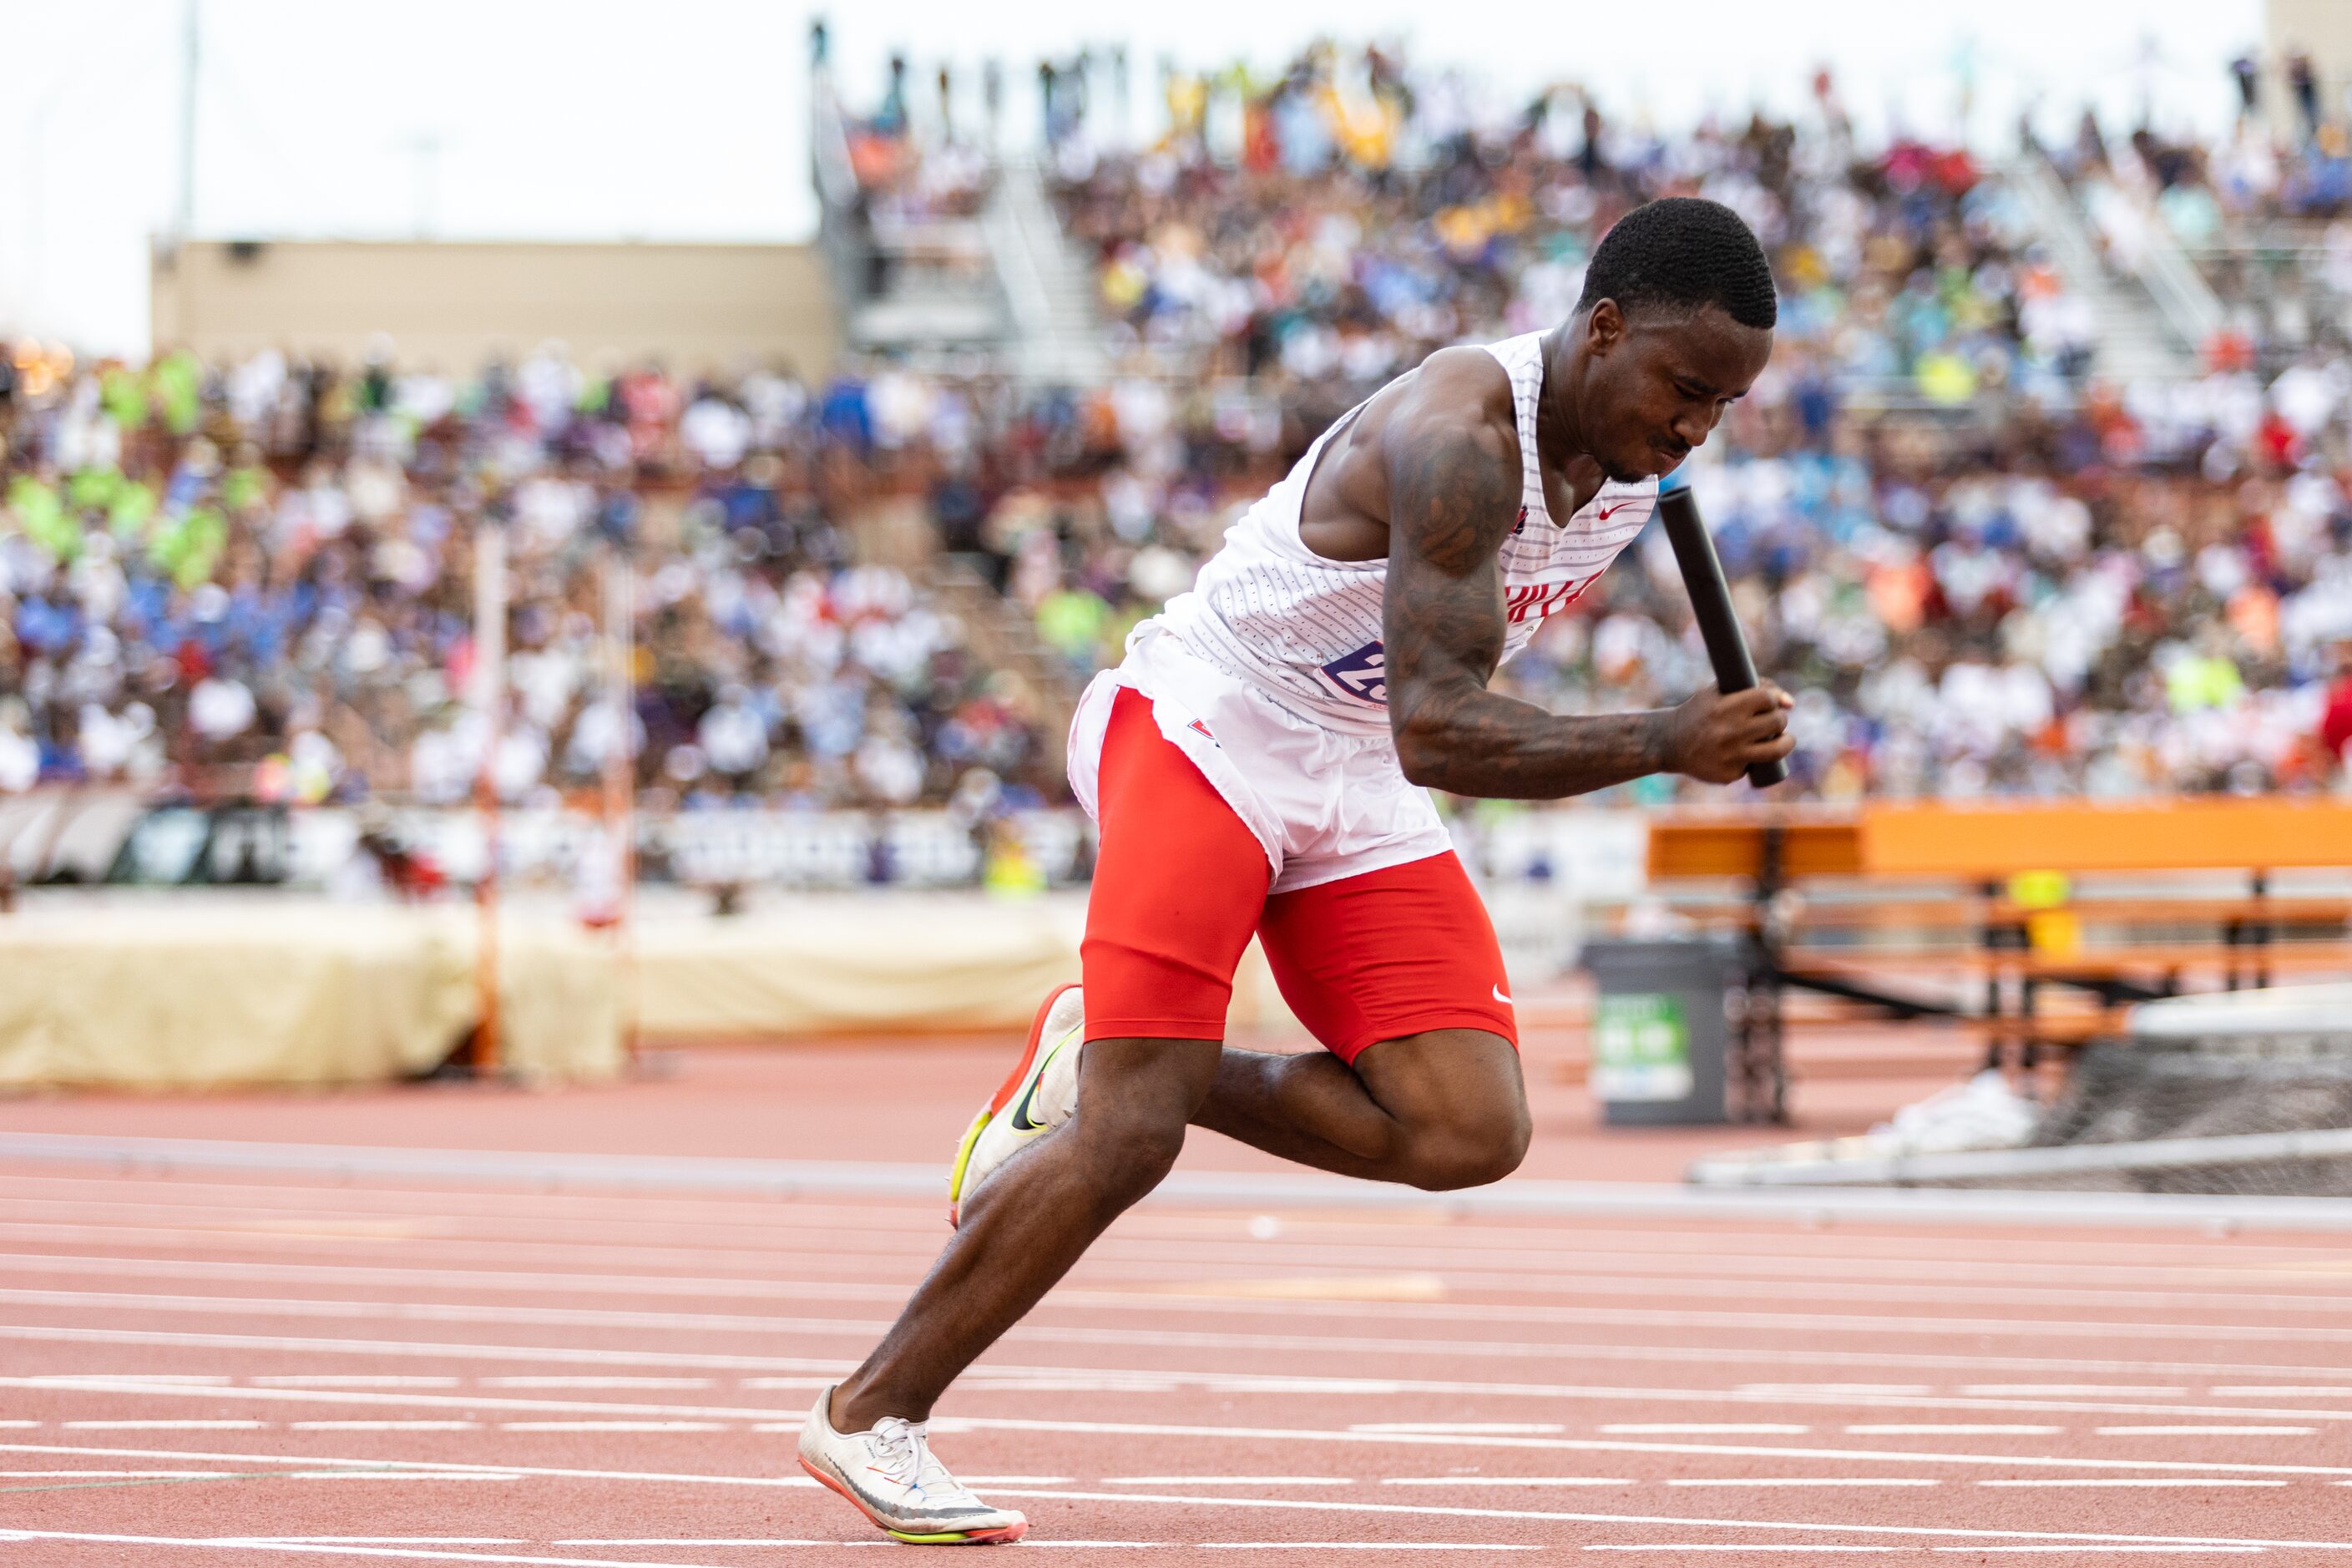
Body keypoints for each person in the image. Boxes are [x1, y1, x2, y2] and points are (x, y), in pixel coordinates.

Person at [796, 196, 1796, 1545]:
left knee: (1465, 1129)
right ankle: (871, 1412)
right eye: (1684, 389)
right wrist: (1665, 737)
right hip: (1212, 727)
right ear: (1601, 326)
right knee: (1128, 1135)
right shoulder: (1458, 438)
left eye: (1722, 408)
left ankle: (1122, 1049)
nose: (1691, 430)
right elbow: (1438, 723)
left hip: (1348, 769)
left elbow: (1408, 722)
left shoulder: (1625, 456)